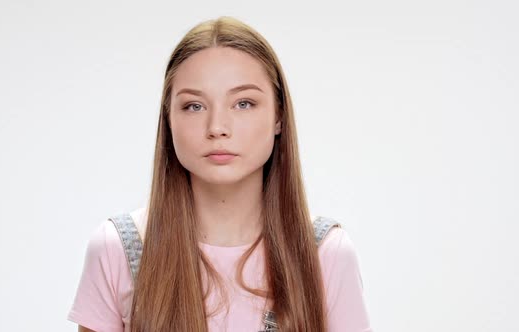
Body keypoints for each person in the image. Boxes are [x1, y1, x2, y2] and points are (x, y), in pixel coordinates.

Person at [67, 16, 373, 332]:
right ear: (168, 118)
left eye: (243, 103)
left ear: (279, 116)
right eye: (194, 106)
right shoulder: (118, 248)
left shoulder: (326, 253)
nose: (217, 128)